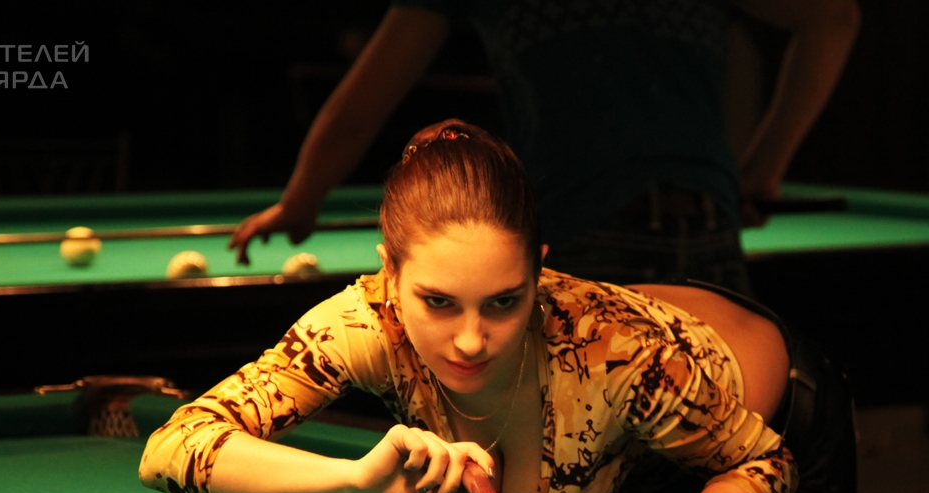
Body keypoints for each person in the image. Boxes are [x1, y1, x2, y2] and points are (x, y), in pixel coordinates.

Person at [146, 122, 856, 493]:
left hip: (779, 399)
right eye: (438, 302)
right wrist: (355, 480)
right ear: (389, 273)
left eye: (504, 302)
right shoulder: (364, 325)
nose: (470, 340)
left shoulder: (612, 355)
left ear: (539, 272)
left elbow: (768, 465)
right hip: (642, 443)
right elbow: (173, 449)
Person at [228, 1, 861, 291]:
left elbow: (361, 107)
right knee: (709, 458)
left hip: (581, 235)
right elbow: (835, 18)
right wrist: (763, 170)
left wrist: (301, 202)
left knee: (579, 475)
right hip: (708, 230)